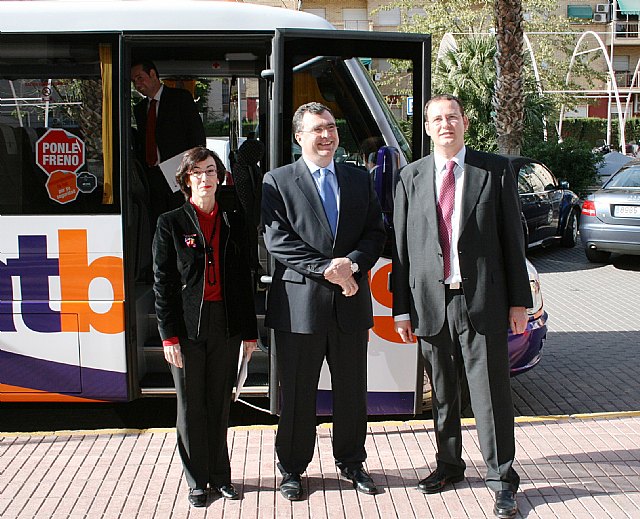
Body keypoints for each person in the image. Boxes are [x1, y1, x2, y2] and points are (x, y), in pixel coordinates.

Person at [392, 94, 532, 519]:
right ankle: (449, 466)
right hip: (431, 303)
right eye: (437, 118)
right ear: (427, 127)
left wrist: (519, 302)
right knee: (443, 394)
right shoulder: (409, 177)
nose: (445, 124)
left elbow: (513, 241)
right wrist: (401, 308)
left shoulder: (494, 171)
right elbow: (401, 250)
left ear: (465, 123)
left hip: (484, 303)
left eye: (452, 117)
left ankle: (502, 479)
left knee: (491, 396)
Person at [261, 102, 386, 501]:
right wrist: (326, 268)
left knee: (352, 391)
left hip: (350, 303)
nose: (327, 135)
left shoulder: (358, 178)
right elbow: (276, 239)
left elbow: (375, 232)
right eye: (317, 129)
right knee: (298, 393)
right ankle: (293, 468)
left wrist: (351, 265)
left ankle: (352, 462)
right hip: (300, 308)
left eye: (331, 126)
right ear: (299, 137)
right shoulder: (277, 181)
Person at [152, 146, 258, 508]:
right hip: (186, 329)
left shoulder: (232, 220)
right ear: (185, 180)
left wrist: (249, 332)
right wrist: (168, 336)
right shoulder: (170, 223)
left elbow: (243, 278)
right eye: (196, 172)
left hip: (225, 325)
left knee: (219, 404)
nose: (204, 178)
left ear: (220, 176)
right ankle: (197, 480)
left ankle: (221, 477)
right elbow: (162, 284)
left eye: (210, 170)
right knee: (190, 406)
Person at [131, 60, 206, 223]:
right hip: (151, 177)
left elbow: (197, 138)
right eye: (133, 81)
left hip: (178, 176)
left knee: (181, 222)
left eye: (139, 77)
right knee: (157, 223)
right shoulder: (139, 108)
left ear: (152, 74)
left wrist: (191, 171)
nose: (137, 84)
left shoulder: (180, 99)